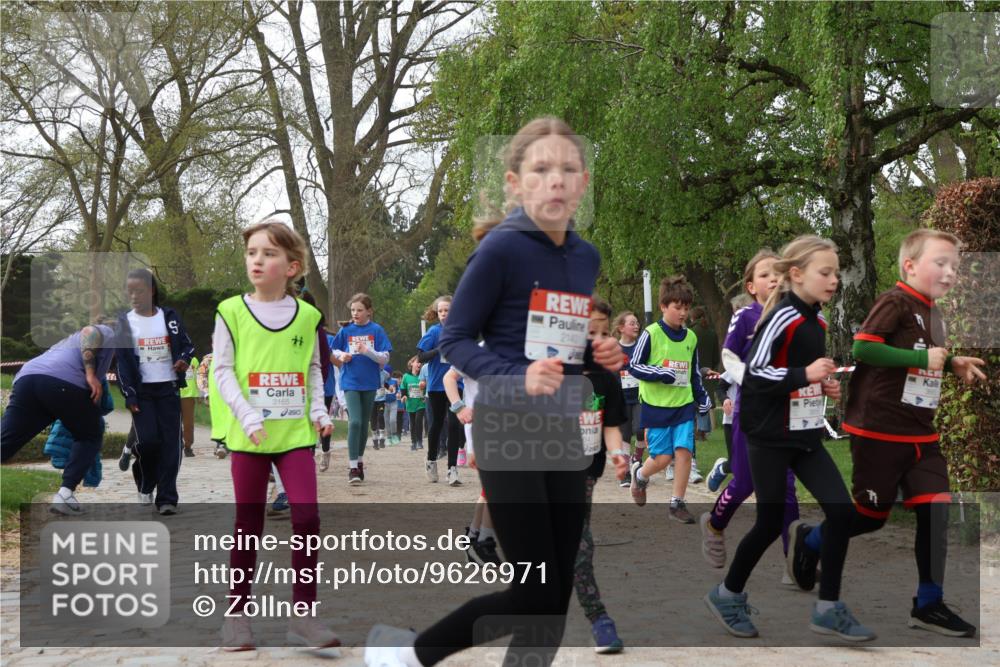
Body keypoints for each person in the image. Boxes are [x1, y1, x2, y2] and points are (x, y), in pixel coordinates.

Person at [364, 116, 624, 667]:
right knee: (533, 590)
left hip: (562, 429)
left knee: (554, 595)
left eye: (568, 169)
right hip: (507, 426)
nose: (556, 179)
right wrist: (516, 377)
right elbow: (455, 341)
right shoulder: (501, 250)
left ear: (583, 183)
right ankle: (409, 654)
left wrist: (594, 354)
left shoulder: (585, 257)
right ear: (516, 183)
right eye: (541, 168)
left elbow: (556, 343)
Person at [787, 229, 985, 637]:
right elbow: (864, 347)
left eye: (954, 266)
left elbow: (926, 355)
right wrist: (922, 359)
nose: (950, 273)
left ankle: (928, 604)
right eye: (940, 263)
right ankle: (811, 540)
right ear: (910, 266)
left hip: (920, 433)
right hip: (879, 430)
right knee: (869, 517)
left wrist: (952, 363)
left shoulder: (934, 312)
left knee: (936, 510)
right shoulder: (895, 301)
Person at [703, 235, 875, 642]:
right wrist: (804, 375)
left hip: (805, 434)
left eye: (836, 273)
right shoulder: (782, 316)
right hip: (768, 436)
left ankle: (828, 608)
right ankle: (727, 594)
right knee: (767, 524)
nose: (834, 280)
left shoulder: (818, 321)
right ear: (796, 274)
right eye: (825, 272)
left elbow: (800, 373)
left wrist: (822, 385)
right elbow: (754, 375)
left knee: (842, 513)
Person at [212, 219, 339, 652]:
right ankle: (236, 618)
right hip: (250, 436)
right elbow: (222, 371)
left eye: (268, 253)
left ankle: (304, 617)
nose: (257, 260)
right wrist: (247, 415)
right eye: (252, 253)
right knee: (248, 525)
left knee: (307, 518)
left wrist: (319, 410)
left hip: (294, 436)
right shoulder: (230, 311)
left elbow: (314, 368)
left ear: (292, 266)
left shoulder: (308, 316)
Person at [700, 251, 801, 576]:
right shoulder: (745, 316)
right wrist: (752, 379)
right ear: (751, 286)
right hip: (752, 412)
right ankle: (714, 524)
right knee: (744, 483)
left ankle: (793, 562)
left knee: (787, 488)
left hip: (784, 413)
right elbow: (728, 357)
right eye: (764, 275)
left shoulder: (793, 317)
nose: (773, 279)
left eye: (778, 274)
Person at [1, 322, 117, 514]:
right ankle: (64, 495)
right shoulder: (109, 331)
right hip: (61, 382)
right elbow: (90, 332)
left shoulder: (66, 343)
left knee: (6, 441)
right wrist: (90, 374)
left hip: (27, 379)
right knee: (91, 434)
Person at [627, 276, 712, 524]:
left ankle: (677, 504)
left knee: (684, 452)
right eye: (677, 307)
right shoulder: (651, 333)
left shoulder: (691, 337)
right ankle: (640, 475)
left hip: (683, 405)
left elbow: (694, 374)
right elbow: (634, 366)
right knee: (663, 459)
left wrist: (703, 398)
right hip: (655, 407)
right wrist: (660, 373)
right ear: (663, 306)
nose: (683, 313)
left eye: (686, 308)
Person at [114, 268, 196, 515]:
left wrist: (183, 360)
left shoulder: (169, 317)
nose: (134, 296)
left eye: (139, 291)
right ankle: (145, 480)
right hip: (142, 393)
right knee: (148, 442)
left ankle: (167, 498)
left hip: (168, 388)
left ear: (151, 291)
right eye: (130, 292)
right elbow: (122, 363)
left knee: (171, 444)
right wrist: (129, 394)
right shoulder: (125, 322)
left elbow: (188, 346)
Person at [574, 295, 630, 653]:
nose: (598, 339)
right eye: (589, 331)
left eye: (604, 332)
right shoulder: (551, 370)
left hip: (584, 474)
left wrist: (617, 453)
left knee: (580, 546)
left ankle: (598, 620)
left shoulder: (608, 379)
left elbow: (610, 425)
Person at [329, 294, 392, 483]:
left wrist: (367, 351)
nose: (355, 313)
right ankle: (352, 467)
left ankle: (360, 461)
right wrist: (342, 356)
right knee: (355, 422)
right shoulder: (346, 330)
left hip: (370, 381)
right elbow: (334, 349)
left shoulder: (377, 330)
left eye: (359, 310)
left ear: (369, 311)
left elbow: (385, 358)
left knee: (365, 424)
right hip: (350, 381)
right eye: (353, 310)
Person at [706, 292, 754, 491]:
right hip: (732, 418)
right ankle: (721, 468)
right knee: (737, 465)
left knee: (756, 463)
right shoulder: (737, 355)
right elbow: (721, 385)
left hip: (756, 417)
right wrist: (725, 399)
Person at [417, 296, 466, 479]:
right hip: (437, 385)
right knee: (436, 424)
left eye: (447, 310)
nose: (444, 314)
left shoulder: (461, 331)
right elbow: (421, 357)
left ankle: (452, 468)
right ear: (436, 313)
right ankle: (431, 460)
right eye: (440, 311)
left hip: (456, 383)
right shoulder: (434, 331)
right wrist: (439, 349)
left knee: (454, 424)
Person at [613, 310, 644, 487]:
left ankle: (637, 461)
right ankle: (625, 472)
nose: (636, 326)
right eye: (632, 323)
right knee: (624, 435)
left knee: (640, 430)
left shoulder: (641, 346)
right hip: (621, 398)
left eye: (637, 323)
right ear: (621, 328)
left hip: (640, 396)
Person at [400, 357, 426, 451]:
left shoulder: (423, 376)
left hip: (421, 403)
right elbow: (403, 387)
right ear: (411, 364)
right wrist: (404, 396)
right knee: (412, 423)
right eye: (417, 362)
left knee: (418, 420)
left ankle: (419, 441)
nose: (419, 364)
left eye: (421, 363)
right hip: (410, 403)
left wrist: (426, 396)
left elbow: (427, 387)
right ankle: (413, 442)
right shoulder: (406, 376)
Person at [180, 354, 200, 457]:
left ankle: (188, 446)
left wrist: (199, 394)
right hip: (173, 394)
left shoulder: (194, 360)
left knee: (188, 424)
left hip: (188, 396)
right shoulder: (173, 356)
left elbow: (198, 377)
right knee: (173, 422)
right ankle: (177, 443)